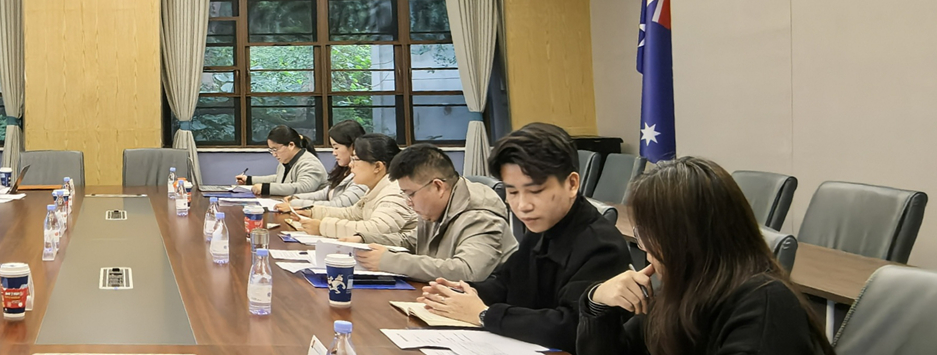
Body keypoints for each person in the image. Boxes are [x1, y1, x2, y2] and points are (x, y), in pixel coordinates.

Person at [576, 157, 833, 355]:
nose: (644, 249)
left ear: (686, 240)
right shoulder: (682, 290)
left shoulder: (766, 304)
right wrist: (598, 301)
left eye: (649, 236)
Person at [417, 122, 630, 353]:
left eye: (535, 191)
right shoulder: (541, 226)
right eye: (513, 192)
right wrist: (464, 292)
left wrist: (484, 314)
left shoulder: (602, 246)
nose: (522, 205)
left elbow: (570, 327)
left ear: (572, 184)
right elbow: (506, 283)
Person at [345, 144, 517, 283]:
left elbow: (468, 271)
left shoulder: (480, 217)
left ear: (438, 186)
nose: (408, 202)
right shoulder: (435, 207)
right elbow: (410, 242)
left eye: (411, 194)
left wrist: (390, 262)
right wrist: (363, 239)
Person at [292, 133, 418, 240]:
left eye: (355, 159)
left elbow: (375, 229)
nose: (350, 165)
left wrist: (322, 227)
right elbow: (352, 213)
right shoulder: (376, 187)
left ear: (378, 166)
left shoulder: (395, 193)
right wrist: (313, 212)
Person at [278, 120, 370, 212]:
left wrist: (297, 203)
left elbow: (338, 206)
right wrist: (296, 197)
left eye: (336, 148)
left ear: (353, 147)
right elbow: (326, 193)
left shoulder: (362, 177)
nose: (334, 153)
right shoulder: (343, 170)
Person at [235, 125, 329, 196]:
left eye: (275, 149)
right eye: (271, 150)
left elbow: (303, 187)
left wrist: (266, 188)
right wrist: (250, 180)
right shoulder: (285, 161)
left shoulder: (310, 163)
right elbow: (279, 179)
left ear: (291, 145)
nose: (274, 154)